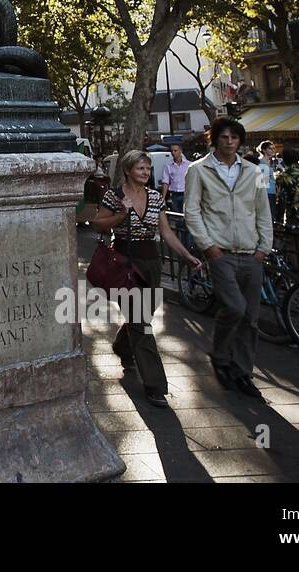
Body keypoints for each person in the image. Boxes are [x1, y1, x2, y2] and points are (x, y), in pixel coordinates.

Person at [92, 149, 201, 409]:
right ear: (128, 170)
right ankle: (155, 385)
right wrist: (120, 214)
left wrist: (186, 255)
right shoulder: (114, 195)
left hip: (151, 262)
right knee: (142, 323)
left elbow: (166, 232)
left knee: (142, 318)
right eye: (141, 168)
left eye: (148, 169)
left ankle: (122, 345)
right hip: (125, 262)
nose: (146, 173)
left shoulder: (155, 197)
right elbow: (98, 224)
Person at [184, 117, 273, 399]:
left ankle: (243, 371)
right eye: (224, 136)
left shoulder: (255, 170)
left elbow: (263, 209)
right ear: (215, 139)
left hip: (252, 252)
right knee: (234, 307)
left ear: (240, 140)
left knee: (251, 318)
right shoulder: (198, 170)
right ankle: (220, 357)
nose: (230, 141)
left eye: (234, 137)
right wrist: (208, 246)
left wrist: (264, 247)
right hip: (220, 253)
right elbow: (192, 210)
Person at [257, 141, 278, 220]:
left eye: (273, 148)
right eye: (270, 148)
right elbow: (261, 182)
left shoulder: (270, 162)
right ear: (264, 150)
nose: (272, 150)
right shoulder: (262, 163)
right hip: (267, 193)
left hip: (272, 192)